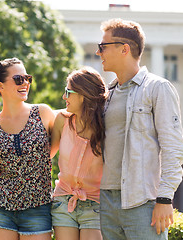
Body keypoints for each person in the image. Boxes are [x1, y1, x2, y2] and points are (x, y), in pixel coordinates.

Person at [95, 18, 183, 239]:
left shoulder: (158, 88)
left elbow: (173, 147)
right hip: (107, 201)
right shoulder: (108, 94)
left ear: (124, 49)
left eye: (103, 47)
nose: (99, 53)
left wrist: (164, 198)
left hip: (142, 203)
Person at [0, 57, 56, 240]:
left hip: (38, 205)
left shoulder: (43, 113)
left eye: (27, 78)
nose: (25, 83)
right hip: (0, 207)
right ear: (1, 86)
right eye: (18, 79)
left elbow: (57, 146)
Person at [50, 67, 107, 240]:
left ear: (83, 94)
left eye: (68, 92)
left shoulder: (107, 126)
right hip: (63, 201)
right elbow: (46, 157)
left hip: (95, 205)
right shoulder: (62, 120)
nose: (64, 97)